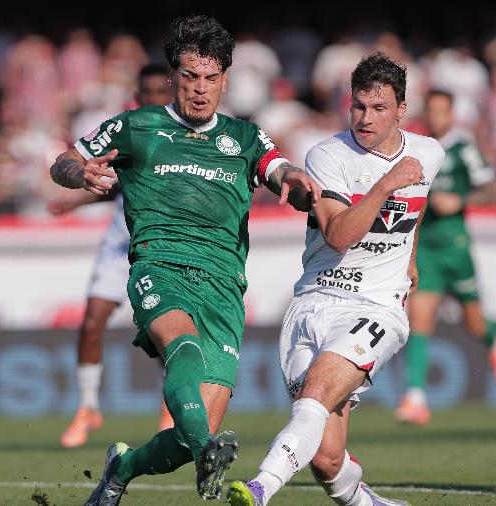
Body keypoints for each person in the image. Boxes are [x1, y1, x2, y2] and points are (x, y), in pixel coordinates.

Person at [49, 15, 320, 504]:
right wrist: (78, 171)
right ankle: (206, 448)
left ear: (225, 80)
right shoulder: (138, 126)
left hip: (224, 287)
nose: (200, 89)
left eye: (211, 78)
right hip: (161, 266)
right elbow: (63, 161)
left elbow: (279, 172)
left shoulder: (244, 137)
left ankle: (122, 468)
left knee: (182, 439)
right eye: (190, 76)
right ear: (172, 77)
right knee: (182, 346)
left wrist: (297, 184)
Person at [228, 53, 443, 506]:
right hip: (313, 301)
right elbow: (339, 234)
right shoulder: (327, 155)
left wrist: (410, 260)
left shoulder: (428, 153)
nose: (366, 117)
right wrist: (387, 184)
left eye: (379, 108)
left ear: (401, 109)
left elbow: (414, 210)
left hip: (376, 306)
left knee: (318, 391)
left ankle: (260, 487)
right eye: (359, 106)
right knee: (326, 459)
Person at [55, 63, 175, 449]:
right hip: (120, 243)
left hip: (159, 247)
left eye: (162, 93)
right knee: (91, 323)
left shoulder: (184, 137)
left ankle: (169, 406)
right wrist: (75, 200)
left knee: (161, 335)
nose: (155, 100)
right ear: (137, 98)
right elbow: (109, 178)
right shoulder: (125, 132)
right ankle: (88, 406)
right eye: (148, 94)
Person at [394, 89, 496, 426]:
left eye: (441, 111)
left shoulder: (463, 148)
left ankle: (493, 341)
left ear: (451, 114)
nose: (435, 117)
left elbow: (492, 190)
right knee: (420, 319)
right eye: (430, 110)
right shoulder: (416, 148)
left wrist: (459, 200)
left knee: (473, 321)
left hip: (456, 247)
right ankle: (415, 397)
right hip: (426, 246)